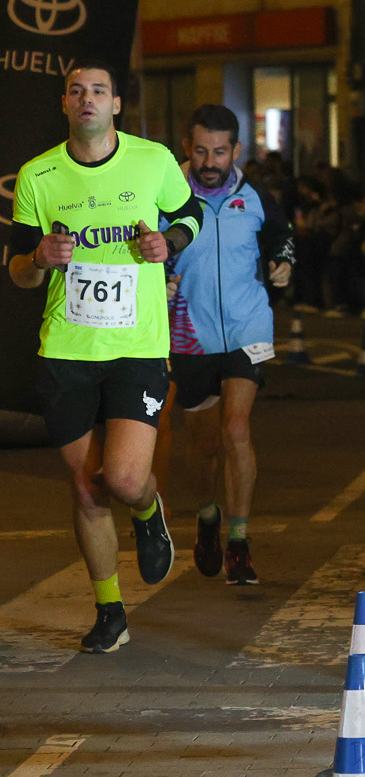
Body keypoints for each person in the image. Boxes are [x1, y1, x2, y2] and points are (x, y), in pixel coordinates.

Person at [8, 62, 205, 653]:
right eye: (76, 91)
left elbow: (191, 213)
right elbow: (17, 271)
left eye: (98, 90)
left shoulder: (153, 160)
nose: (87, 99)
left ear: (117, 104)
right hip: (66, 349)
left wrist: (168, 242)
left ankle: (147, 511)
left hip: (136, 346)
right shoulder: (38, 175)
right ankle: (110, 610)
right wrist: (38, 259)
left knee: (121, 478)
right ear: (64, 103)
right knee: (85, 487)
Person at [168, 105, 293, 587]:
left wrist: (283, 263)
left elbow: (281, 235)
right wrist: (159, 280)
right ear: (188, 148)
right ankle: (208, 516)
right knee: (202, 446)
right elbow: (145, 249)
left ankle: (239, 541)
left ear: (236, 150)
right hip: (190, 334)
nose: (210, 162)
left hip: (247, 327)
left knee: (236, 428)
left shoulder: (255, 195)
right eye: (201, 151)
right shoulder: (169, 195)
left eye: (219, 152)